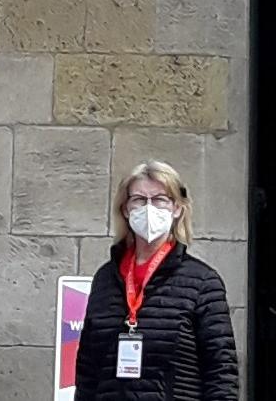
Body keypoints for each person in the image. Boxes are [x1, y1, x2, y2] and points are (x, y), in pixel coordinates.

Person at [75, 160, 241, 401]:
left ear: (177, 209)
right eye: (139, 200)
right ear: (125, 209)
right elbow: (88, 371)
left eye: (160, 199)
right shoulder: (105, 279)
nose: (149, 207)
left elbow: (221, 373)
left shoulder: (203, 282)